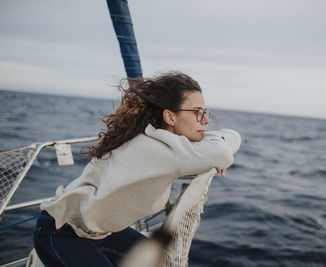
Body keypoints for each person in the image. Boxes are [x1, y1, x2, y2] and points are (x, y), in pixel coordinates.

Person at [33, 72, 241, 266]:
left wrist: (218, 148)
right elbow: (223, 151)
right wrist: (219, 153)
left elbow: (232, 137)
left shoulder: (160, 140)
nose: (206, 120)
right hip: (60, 232)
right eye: (197, 112)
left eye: (205, 112)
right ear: (170, 117)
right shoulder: (160, 149)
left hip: (101, 232)